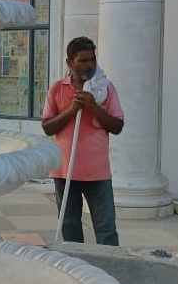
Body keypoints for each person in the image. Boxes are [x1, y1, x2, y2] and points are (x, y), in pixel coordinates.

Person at [41, 36, 124, 246]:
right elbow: (47, 127)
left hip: (97, 173)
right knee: (70, 228)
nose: (90, 65)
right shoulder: (58, 88)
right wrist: (72, 110)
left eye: (92, 60)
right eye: (83, 60)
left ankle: (111, 270)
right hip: (64, 171)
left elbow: (117, 127)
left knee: (106, 230)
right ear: (70, 62)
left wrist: (93, 106)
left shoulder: (105, 88)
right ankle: (78, 271)